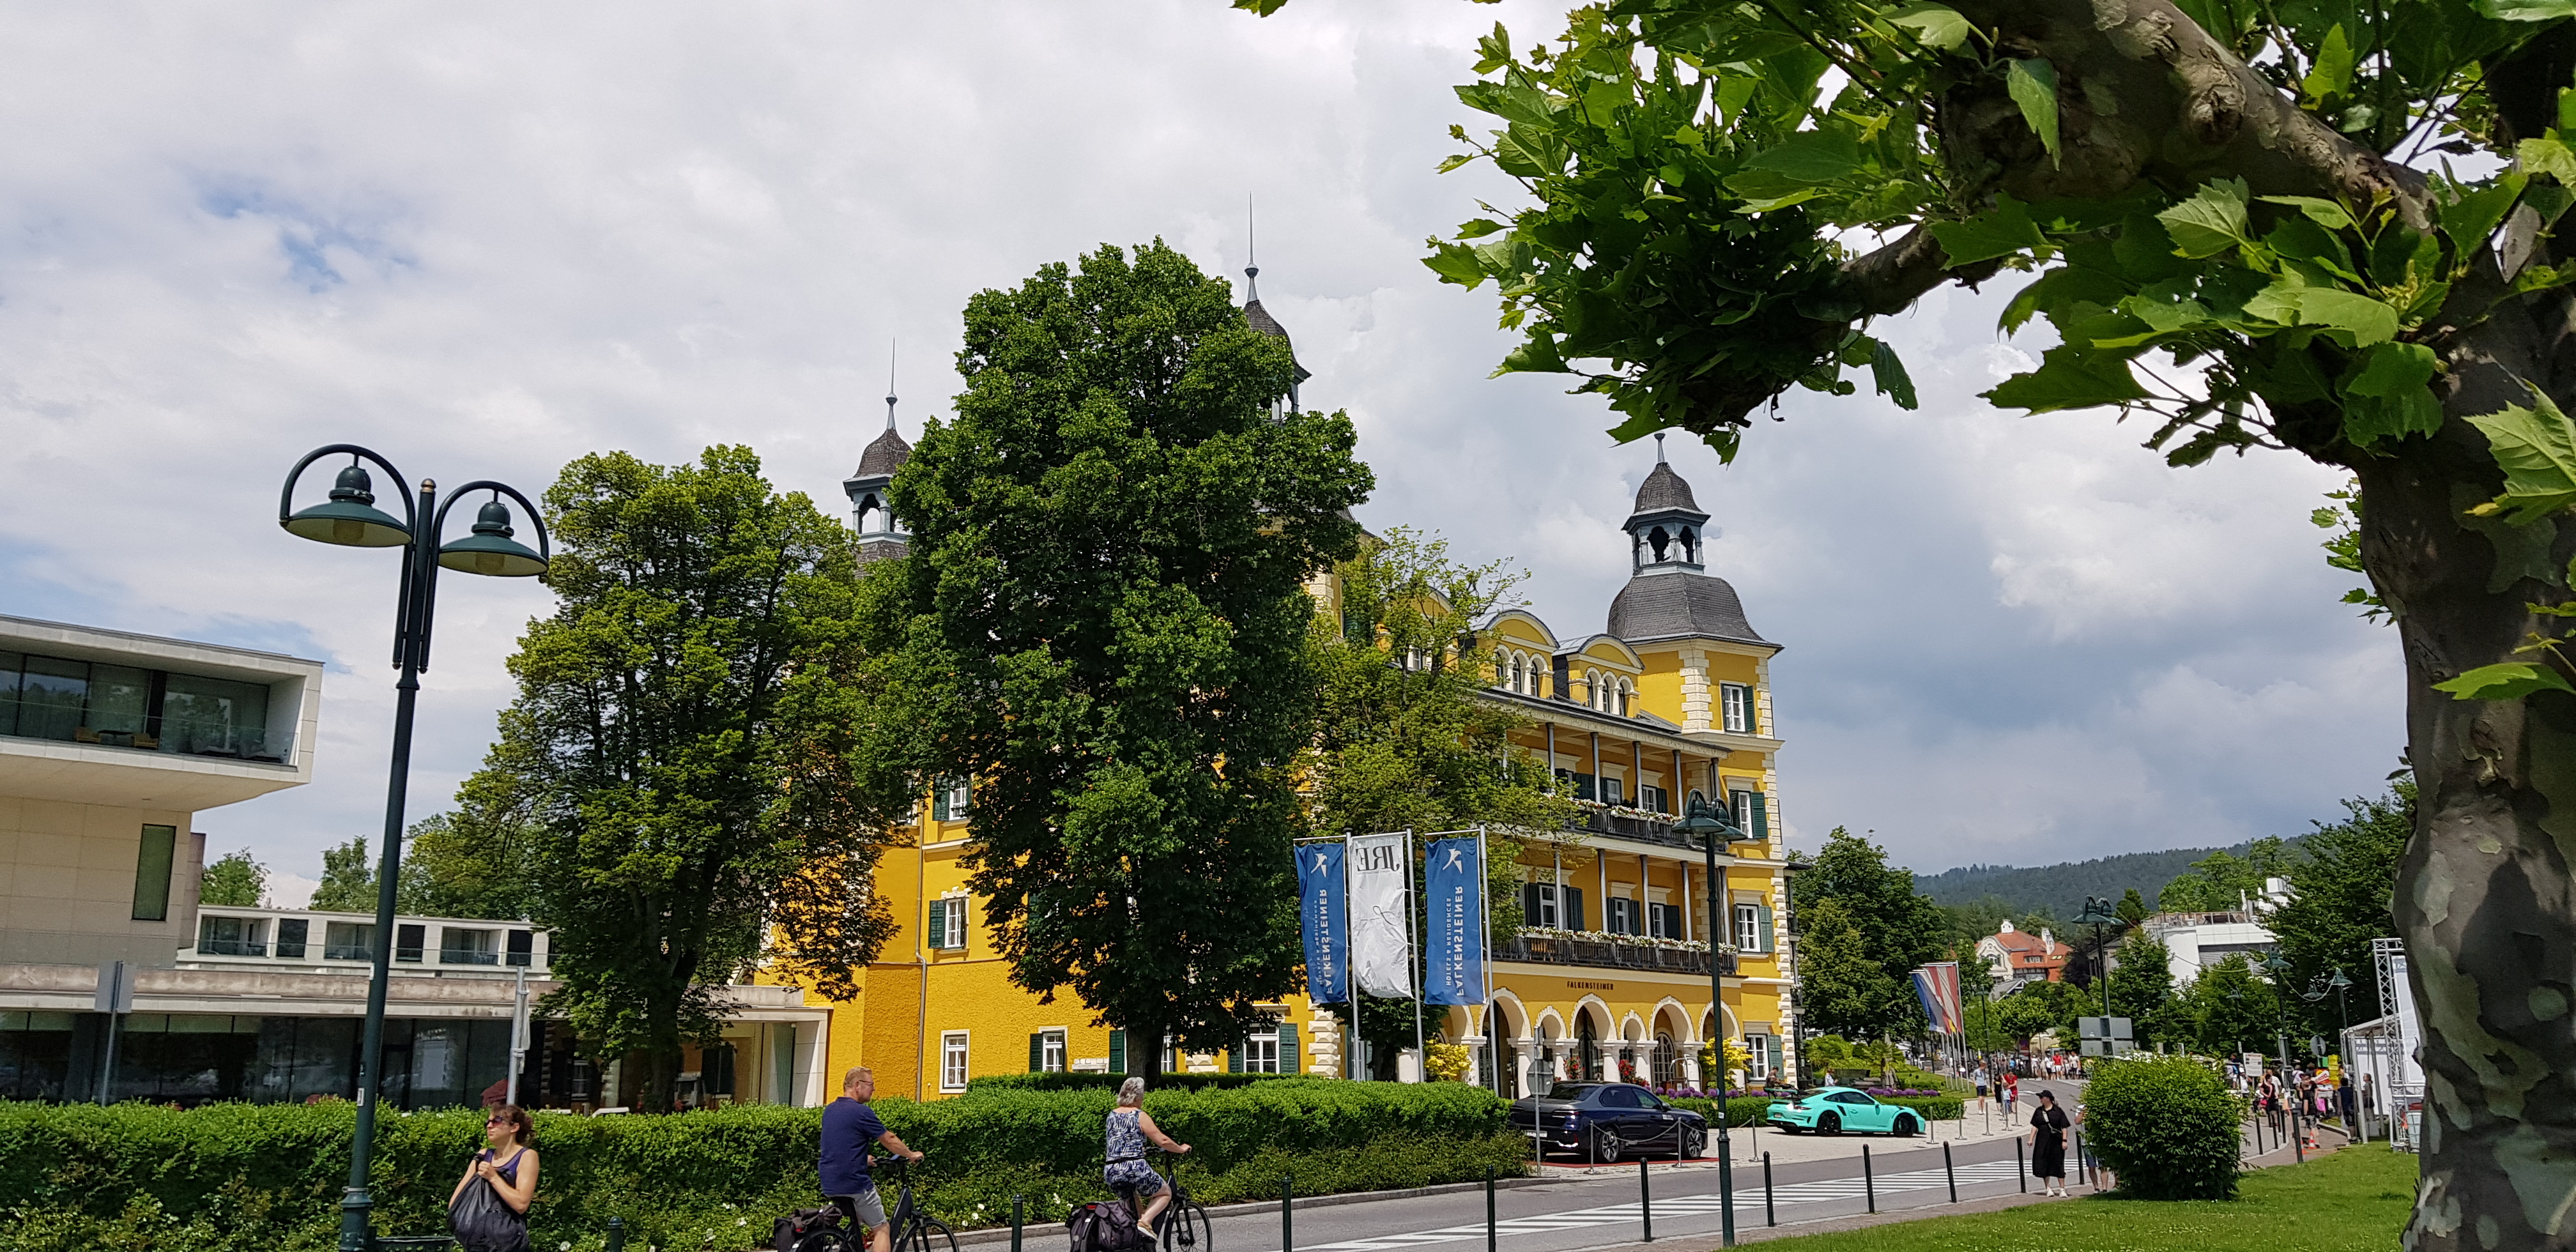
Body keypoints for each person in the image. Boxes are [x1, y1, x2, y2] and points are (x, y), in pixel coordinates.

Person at [820, 1067, 925, 1252]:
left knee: (860, 1222)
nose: (874, 1089)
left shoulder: (830, 1110)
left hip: (830, 1182)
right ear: (857, 1085)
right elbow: (889, 1139)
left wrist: (863, 1158)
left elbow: (839, 1145)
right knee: (882, 1228)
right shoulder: (861, 1112)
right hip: (854, 1183)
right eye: (871, 1084)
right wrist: (910, 1155)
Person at [1106, 1076, 1193, 1237]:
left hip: (1112, 1170)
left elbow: (1122, 1141)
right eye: (1142, 1096)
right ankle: (1145, 1222)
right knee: (1165, 1193)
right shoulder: (1139, 1115)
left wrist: (1141, 1150)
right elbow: (1163, 1141)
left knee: (1134, 1205)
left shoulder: (1112, 1116)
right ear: (1137, 1097)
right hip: (1134, 1168)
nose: (1143, 1100)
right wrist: (1180, 1149)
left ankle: (1138, 1239)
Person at [448, 1104, 539, 1252]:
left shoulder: (527, 1156)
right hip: (476, 1244)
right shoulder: (483, 1155)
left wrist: (493, 1177)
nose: (489, 1126)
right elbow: (456, 1201)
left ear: (514, 1127)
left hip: (508, 1245)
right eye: (488, 1122)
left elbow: (521, 1204)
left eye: (497, 1121)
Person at [2028, 1089, 2071, 1196]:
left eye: (2041, 1097)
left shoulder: (2058, 1111)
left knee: (2058, 1163)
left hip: (2056, 1141)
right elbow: (2035, 1126)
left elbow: (2064, 1127)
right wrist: (2031, 1139)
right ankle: (2048, 1188)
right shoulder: (2039, 1111)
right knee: (2044, 1164)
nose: (2040, 1099)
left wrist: (2064, 1140)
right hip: (2042, 1141)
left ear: (2048, 1099)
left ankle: (2062, 1189)